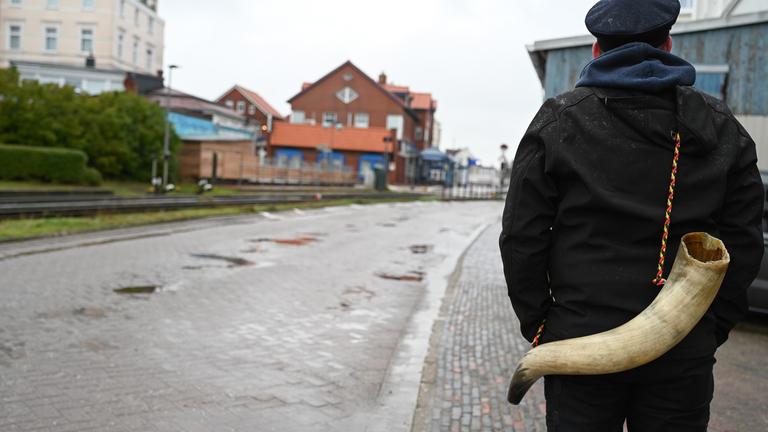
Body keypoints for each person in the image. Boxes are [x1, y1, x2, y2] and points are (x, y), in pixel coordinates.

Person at [499, 0, 764, 430]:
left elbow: (520, 239)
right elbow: (745, 244)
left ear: (595, 51)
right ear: (669, 44)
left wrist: (541, 324)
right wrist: (708, 328)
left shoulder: (558, 121)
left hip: (579, 345)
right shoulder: (721, 127)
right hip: (682, 350)